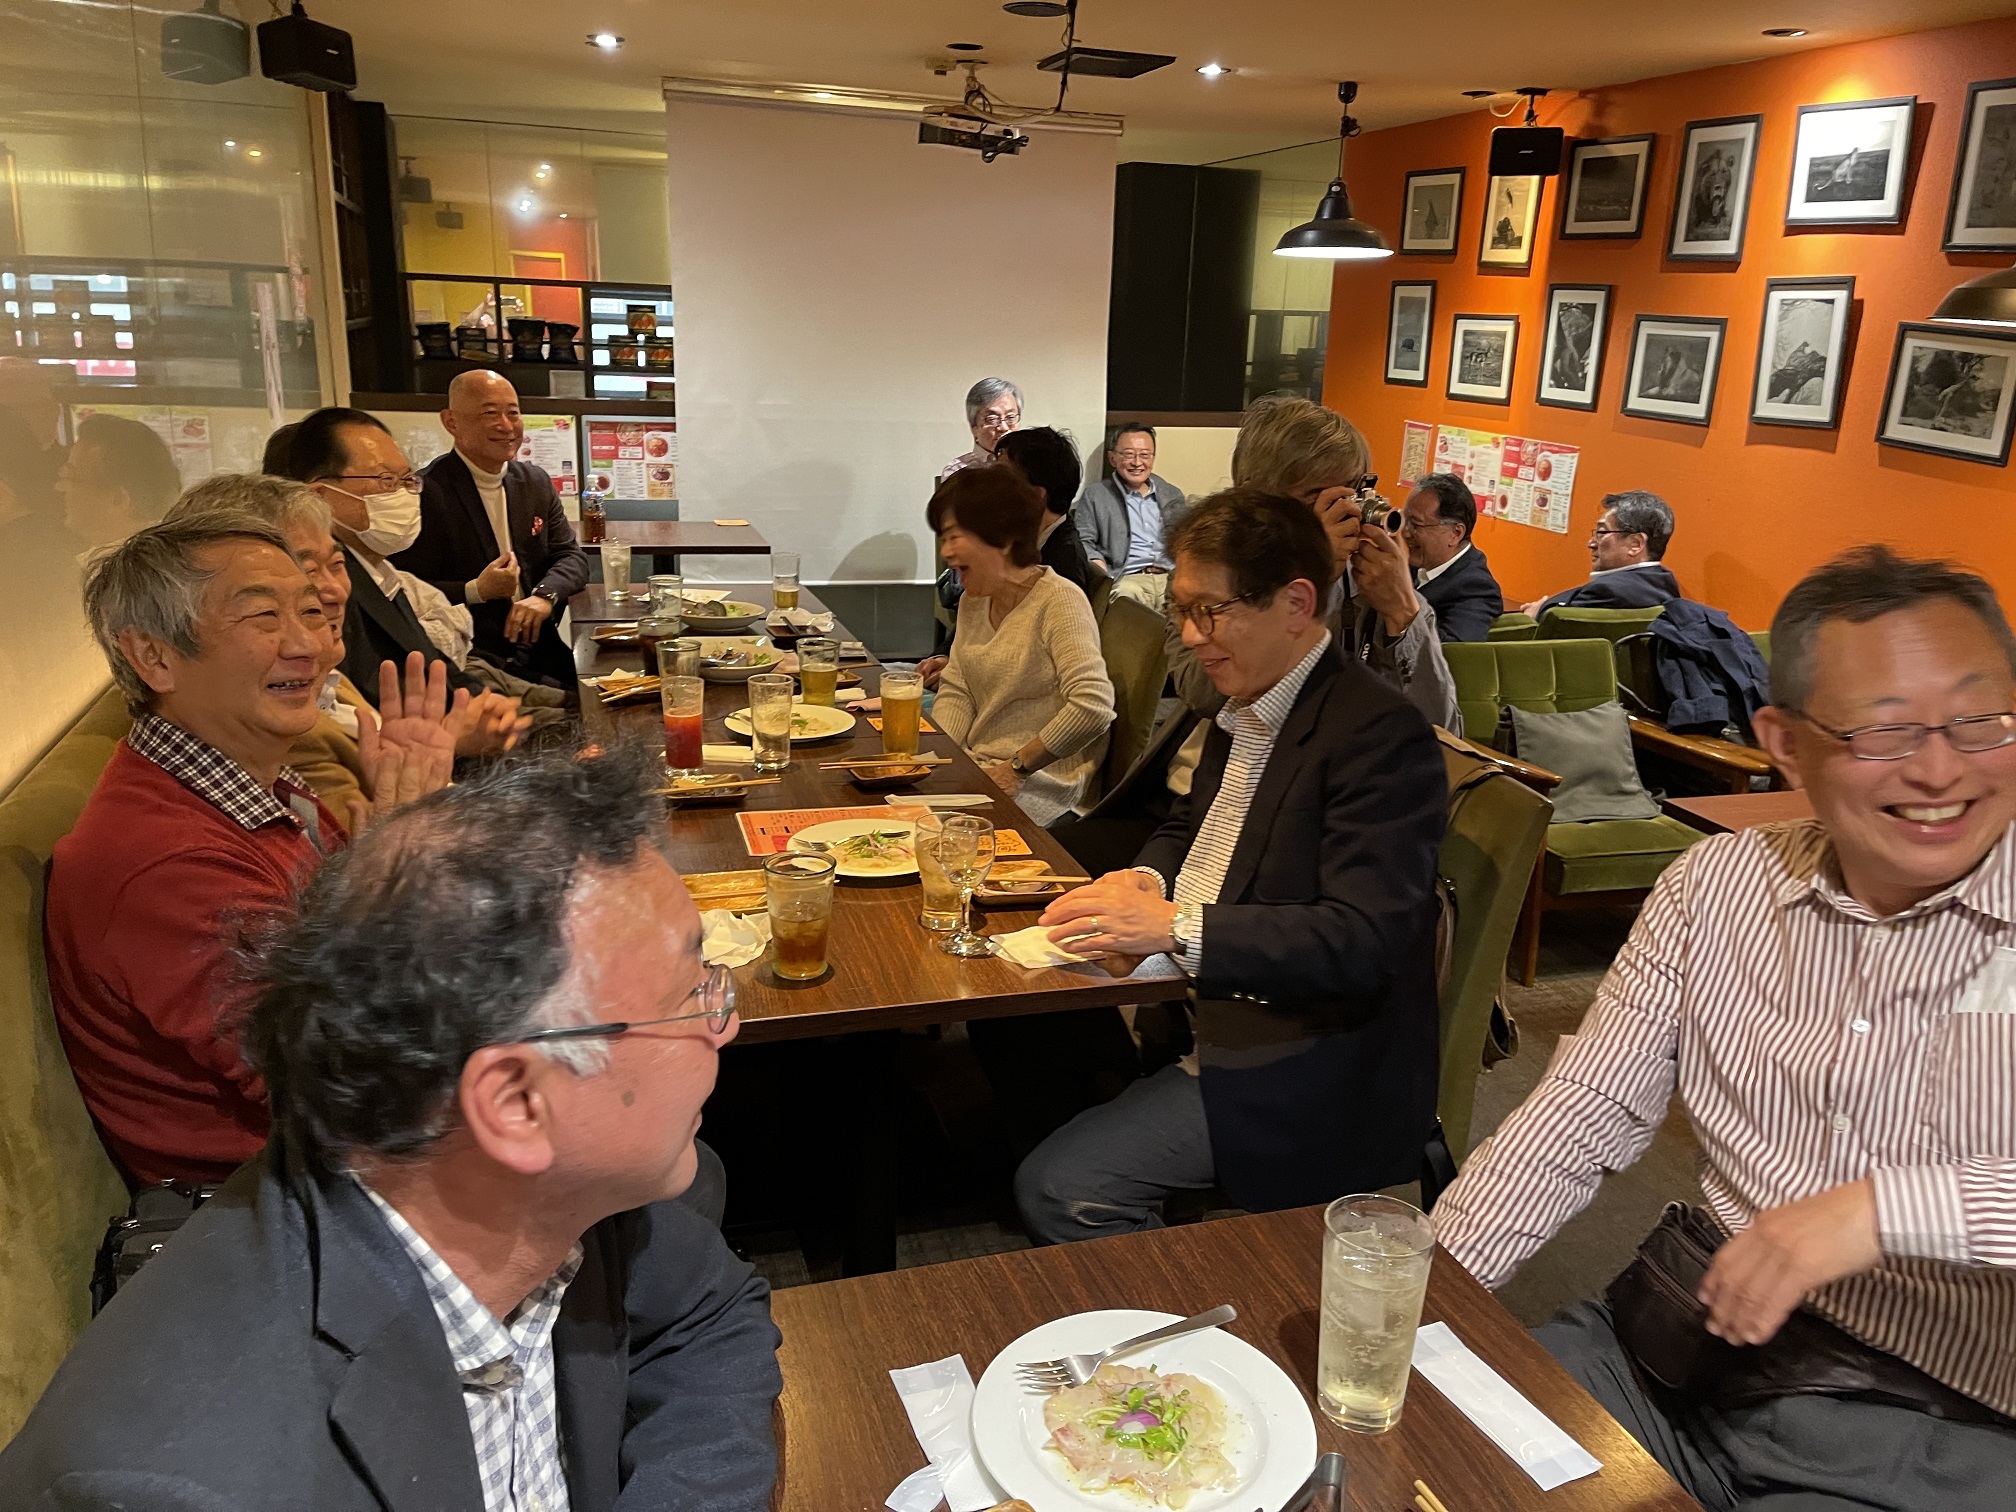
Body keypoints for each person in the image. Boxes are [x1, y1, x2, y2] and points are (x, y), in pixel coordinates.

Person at [1, 746, 783, 1509]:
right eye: (691, 996)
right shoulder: (178, 1484)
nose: (724, 1025)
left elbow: (711, 1315)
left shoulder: (555, 1200)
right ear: (515, 1104)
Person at [1434, 545, 2016, 1510]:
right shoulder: (1717, 885)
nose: (1939, 768)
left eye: (1980, 720)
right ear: (1783, 741)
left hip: (1926, 1422)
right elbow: (1582, 1113)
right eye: (1883, 730)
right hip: (1675, 1344)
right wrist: (1421, 1288)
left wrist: (1882, 1210)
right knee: (1429, 1456)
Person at [1015, 490, 1446, 1242]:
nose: (1190, 636)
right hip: (1206, 1004)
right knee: (1023, 1027)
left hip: (1307, 1059)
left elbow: (1364, 940)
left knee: (1061, 1189)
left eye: (1209, 611)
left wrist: (1174, 927)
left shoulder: (1379, 735)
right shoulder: (1244, 701)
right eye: (1183, 611)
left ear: (1296, 603)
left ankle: (1209, 1312)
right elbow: (1188, 824)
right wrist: (1146, 880)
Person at [45, 509, 465, 1186]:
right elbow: (354, 1084)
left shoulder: (258, 787)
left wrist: (401, 844)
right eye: (263, 617)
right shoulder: (166, 863)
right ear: (154, 657)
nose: (311, 647)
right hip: (296, 1199)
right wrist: (406, 865)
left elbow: (358, 975)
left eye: (310, 612)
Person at [1056, 398, 1459, 877]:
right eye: (1318, 497)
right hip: (1196, 797)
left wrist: (1404, 613)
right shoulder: (1208, 571)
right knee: (1045, 865)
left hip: (1308, 823)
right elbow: (1207, 693)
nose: (1346, 512)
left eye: (1353, 491)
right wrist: (1308, 576)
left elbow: (1443, 734)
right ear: (1256, 501)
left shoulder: (1381, 581)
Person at [169, 473, 528, 812]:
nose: (335, 591)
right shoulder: (276, 724)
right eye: (308, 571)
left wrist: (441, 749)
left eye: (337, 564)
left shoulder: (329, 681)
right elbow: (360, 849)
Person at [279, 408, 563, 737]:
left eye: (407, 480)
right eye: (386, 480)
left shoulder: (379, 569)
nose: (402, 494)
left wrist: (487, 705)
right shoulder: (328, 590)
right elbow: (369, 708)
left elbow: (433, 664)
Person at [930, 467, 1115, 826]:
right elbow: (958, 688)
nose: (946, 551)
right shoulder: (974, 599)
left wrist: (1016, 767)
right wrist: (943, 761)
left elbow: (1093, 706)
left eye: (956, 537)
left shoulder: (1058, 601)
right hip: (981, 767)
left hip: (1042, 782)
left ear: (1002, 539)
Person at [396, 370, 590, 689]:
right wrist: (476, 590)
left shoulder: (534, 482)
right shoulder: (425, 493)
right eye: (490, 414)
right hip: (472, 657)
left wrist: (544, 596)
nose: (506, 426)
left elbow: (571, 556)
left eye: (513, 413)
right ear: (451, 422)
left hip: (542, 650)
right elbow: (404, 591)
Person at [1075, 422, 1186, 612]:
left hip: (1170, 577)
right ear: (1112, 458)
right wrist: (1095, 560)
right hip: (1128, 578)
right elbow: (1082, 539)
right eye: (1128, 454)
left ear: (1153, 458)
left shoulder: (1172, 494)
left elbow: (1186, 540)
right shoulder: (1096, 495)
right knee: (1124, 598)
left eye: (1145, 455)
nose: (1137, 462)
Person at [1520, 489, 1681, 618]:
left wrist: (1534, 616)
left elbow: (1554, 630)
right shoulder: (1664, 584)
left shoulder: (1608, 592)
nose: (1591, 544)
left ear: (1636, 544)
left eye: (1602, 533)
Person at [995, 425, 1097, 597]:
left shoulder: (1064, 564)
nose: (993, 487)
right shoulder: (1024, 537)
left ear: (1036, 494)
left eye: (1002, 479)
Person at [1405, 472, 1504, 643]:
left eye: (1415, 525)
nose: (1404, 533)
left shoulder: (1476, 589)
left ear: (1455, 533)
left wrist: (1398, 600)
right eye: (1403, 520)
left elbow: (1453, 650)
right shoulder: (1412, 563)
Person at [56, 413, 182, 547]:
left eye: (70, 477)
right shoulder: (163, 552)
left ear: (118, 498)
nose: (59, 487)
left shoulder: (131, 560)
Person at [939, 376, 1022, 482]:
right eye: (992, 419)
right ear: (973, 427)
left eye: (1010, 417)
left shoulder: (1030, 466)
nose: (1004, 428)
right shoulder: (958, 471)